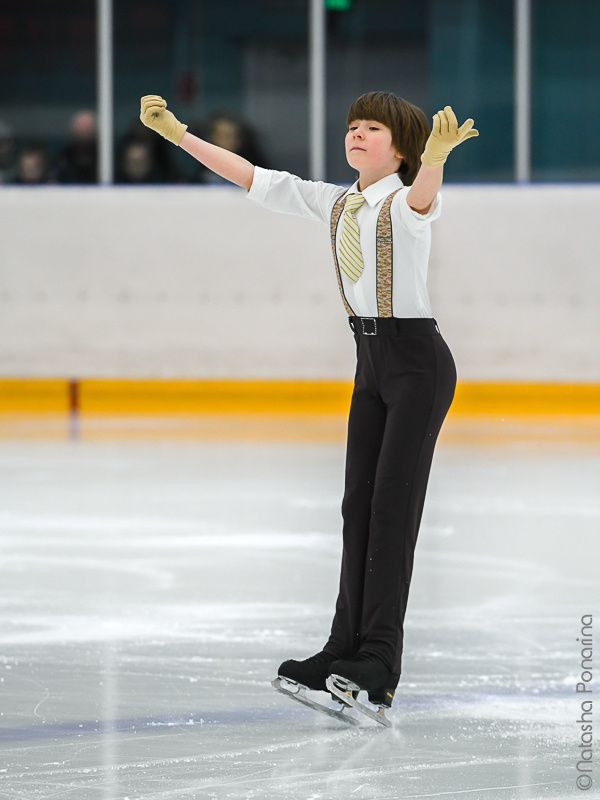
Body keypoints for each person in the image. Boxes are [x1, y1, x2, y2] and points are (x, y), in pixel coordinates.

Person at [139, 92, 478, 722]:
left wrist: (433, 160)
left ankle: (378, 663)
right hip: (371, 363)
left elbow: (425, 198)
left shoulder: (404, 201)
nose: (357, 135)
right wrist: (179, 134)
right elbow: (252, 177)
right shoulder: (337, 201)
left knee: (392, 512)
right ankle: (342, 647)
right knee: (357, 507)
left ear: (399, 148)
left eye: (372, 128)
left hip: (417, 364)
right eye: (352, 127)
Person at [56, 110, 98, 184]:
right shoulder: (62, 160)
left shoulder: (106, 160)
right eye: (80, 130)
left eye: (88, 130)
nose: (84, 135)